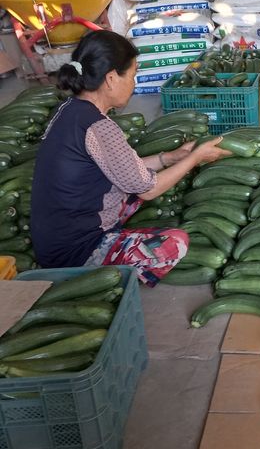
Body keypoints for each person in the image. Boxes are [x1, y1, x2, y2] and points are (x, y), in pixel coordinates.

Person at [30, 30, 231, 286]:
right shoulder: (99, 127)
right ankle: (99, 280)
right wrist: (194, 159)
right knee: (174, 243)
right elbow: (149, 190)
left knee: (131, 189)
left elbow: (126, 169)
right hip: (74, 253)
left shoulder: (71, 110)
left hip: (54, 238)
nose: (134, 83)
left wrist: (171, 157)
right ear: (112, 78)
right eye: (133, 75)